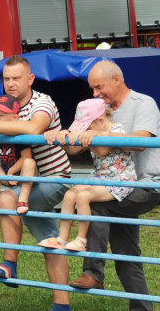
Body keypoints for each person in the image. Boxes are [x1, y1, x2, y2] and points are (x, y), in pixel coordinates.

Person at [45, 59, 160, 311]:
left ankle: (93, 273)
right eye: (92, 88)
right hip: (115, 186)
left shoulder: (143, 104)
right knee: (126, 254)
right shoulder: (98, 109)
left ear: (117, 80)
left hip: (145, 185)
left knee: (95, 205)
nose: (95, 94)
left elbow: (141, 141)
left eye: (99, 87)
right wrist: (67, 137)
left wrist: (100, 135)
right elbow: (75, 149)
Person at [0, 55, 73, 311]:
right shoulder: (0, 104)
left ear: (30, 79)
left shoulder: (42, 102)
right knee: (49, 240)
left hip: (52, 178)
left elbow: (35, 127)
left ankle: (9, 265)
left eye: (16, 78)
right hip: (24, 181)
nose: (10, 84)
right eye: (6, 79)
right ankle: (62, 308)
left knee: (7, 200)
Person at [41, 98, 136, 252]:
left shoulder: (117, 130)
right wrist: (64, 139)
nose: (85, 130)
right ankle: (62, 239)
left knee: (83, 196)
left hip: (120, 181)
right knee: (70, 195)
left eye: (87, 126)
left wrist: (88, 136)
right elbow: (73, 151)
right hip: (100, 179)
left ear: (100, 119)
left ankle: (81, 240)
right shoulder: (90, 133)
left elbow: (102, 151)